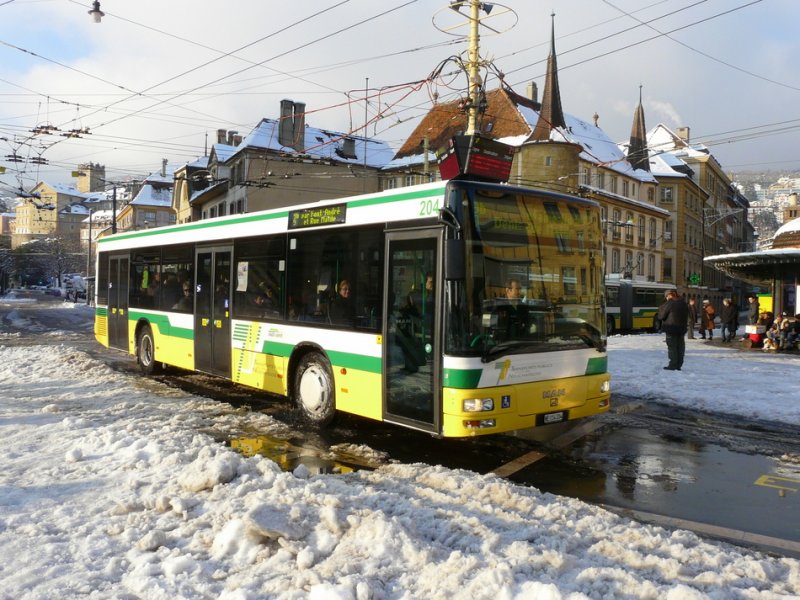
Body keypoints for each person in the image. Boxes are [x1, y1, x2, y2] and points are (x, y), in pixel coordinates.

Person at [656, 289, 688, 371]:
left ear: (669, 296)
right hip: (681, 329)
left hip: (671, 328)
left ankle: (672, 365)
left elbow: (661, 316)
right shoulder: (683, 303)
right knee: (680, 347)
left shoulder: (669, 304)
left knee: (672, 347)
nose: (666, 298)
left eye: (666, 296)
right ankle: (679, 365)